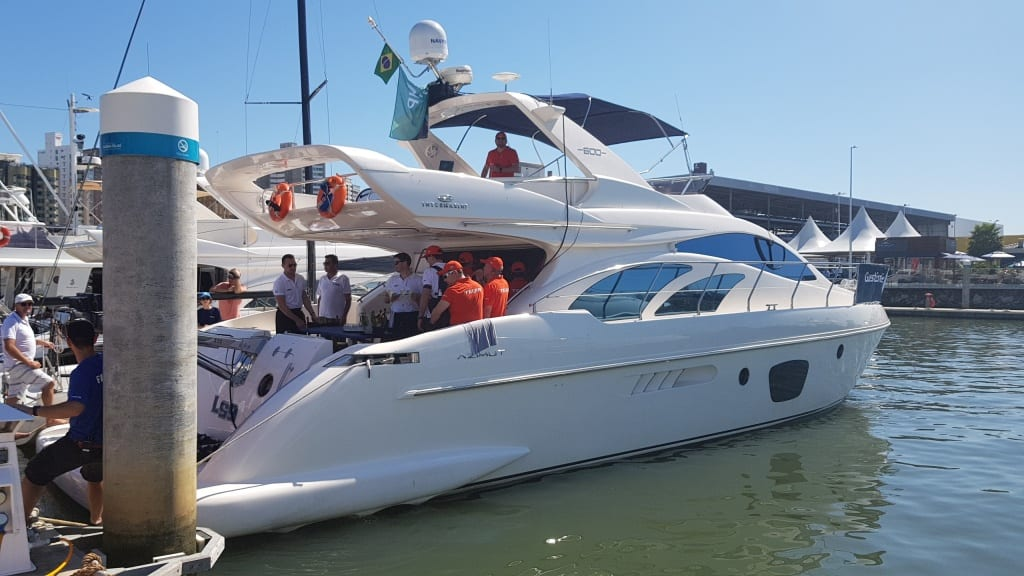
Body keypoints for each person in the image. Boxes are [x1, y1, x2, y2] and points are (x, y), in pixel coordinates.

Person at [14, 318, 103, 525]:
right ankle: (96, 521)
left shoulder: (81, 372)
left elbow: (75, 408)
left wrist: (34, 410)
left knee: (34, 474)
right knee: (94, 479)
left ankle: (20, 523)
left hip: (82, 444)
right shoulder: (105, 363)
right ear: (96, 338)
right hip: (106, 442)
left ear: (68, 342)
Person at [2, 293, 58, 421]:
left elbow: (25, 340)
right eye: (23, 304)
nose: (27, 306)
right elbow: (9, 346)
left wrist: (42, 343)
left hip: (17, 367)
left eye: (30, 304)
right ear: (16, 305)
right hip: (19, 366)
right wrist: (29, 362)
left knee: (12, 400)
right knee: (48, 383)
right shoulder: (11, 321)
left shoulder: (23, 320)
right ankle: (51, 419)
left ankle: (5, 429)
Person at [429, 261, 483, 327]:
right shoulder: (478, 286)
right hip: (477, 330)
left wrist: (430, 325)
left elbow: (437, 312)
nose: (444, 280)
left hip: (459, 332)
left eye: (445, 276)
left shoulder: (452, 290)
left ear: (454, 273)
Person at [273, 254, 318, 333]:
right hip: (285, 316)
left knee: (302, 340)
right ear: (283, 266)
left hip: (298, 312)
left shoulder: (300, 279)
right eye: (290, 265)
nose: (293, 267)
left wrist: (313, 314)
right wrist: (297, 320)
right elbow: (282, 306)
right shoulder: (279, 282)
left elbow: (304, 297)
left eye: (294, 265)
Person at [385, 252, 421, 340]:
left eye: (397, 262)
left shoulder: (418, 280)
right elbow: (386, 299)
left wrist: (416, 298)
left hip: (412, 316)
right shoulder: (392, 280)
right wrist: (391, 298)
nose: (395, 265)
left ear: (405, 263)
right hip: (397, 316)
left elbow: (425, 300)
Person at [418, 245, 447, 332]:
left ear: (431, 256)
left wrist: (420, 316)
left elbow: (426, 294)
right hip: (450, 309)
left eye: (426, 258)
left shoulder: (429, 271)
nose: (427, 261)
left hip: (434, 309)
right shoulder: (452, 269)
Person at [317, 254, 352, 325]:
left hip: (337, 318)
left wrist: (344, 316)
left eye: (327, 263)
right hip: (323, 318)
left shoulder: (343, 279)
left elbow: (348, 300)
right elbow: (320, 298)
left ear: (335, 264)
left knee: (337, 336)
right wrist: (318, 315)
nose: (325, 265)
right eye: (324, 263)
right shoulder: (322, 279)